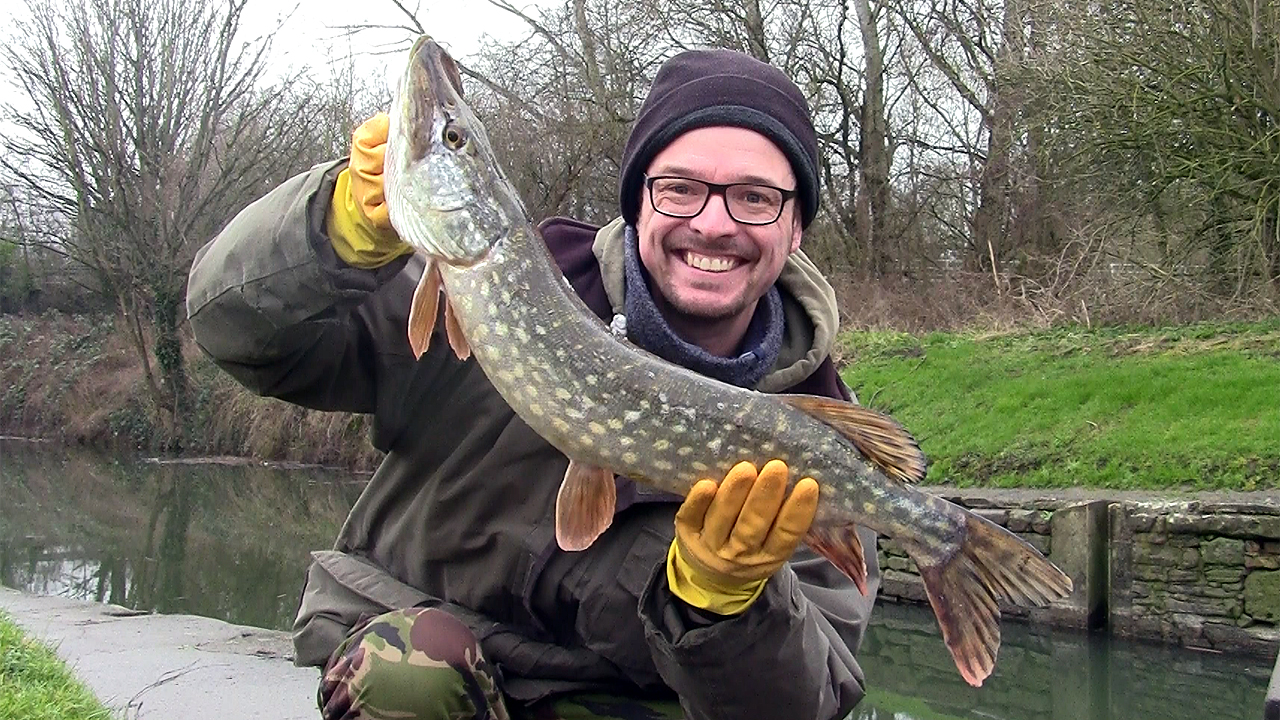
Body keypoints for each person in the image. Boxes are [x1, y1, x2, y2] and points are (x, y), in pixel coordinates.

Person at [187, 47, 879, 720]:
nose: (712, 222)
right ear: (639, 201)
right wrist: (330, 229)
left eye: (756, 198)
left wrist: (724, 608)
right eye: (680, 189)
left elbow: (806, 704)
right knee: (409, 674)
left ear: (795, 229)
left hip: (623, 703)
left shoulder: (817, 436)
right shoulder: (491, 288)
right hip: (432, 674)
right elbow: (239, 336)